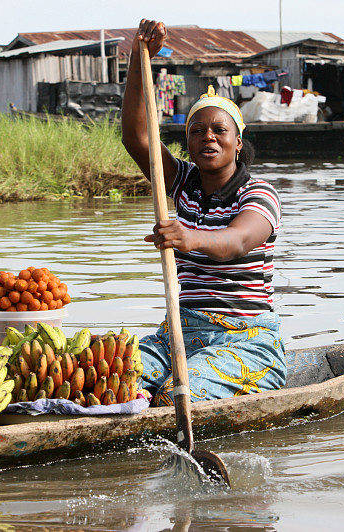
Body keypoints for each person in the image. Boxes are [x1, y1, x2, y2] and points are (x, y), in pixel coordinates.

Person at [121, 19, 287, 406]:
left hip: (247, 341)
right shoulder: (180, 182)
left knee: (175, 396)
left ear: (237, 142)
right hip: (178, 333)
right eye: (197, 131)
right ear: (189, 140)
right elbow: (136, 136)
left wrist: (190, 237)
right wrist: (138, 55)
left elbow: (238, 241)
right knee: (111, 379)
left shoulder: (259, 193)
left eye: (218, 130)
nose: (207, 137)